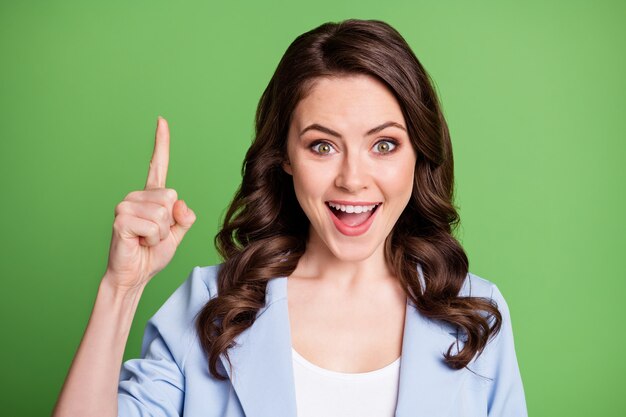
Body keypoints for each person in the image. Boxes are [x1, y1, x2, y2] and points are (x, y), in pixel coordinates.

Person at [53, 19, 527, 417]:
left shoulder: (475, 314)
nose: (353, 179)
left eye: (384, 144)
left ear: (418, 154)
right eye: (323, 145)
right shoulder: (210, 309)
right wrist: (121, 288)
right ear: (284, 156)